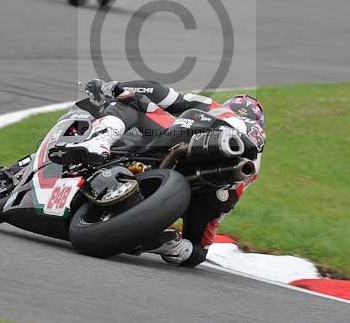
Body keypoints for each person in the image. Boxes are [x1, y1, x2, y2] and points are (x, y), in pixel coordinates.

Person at [64, 79, 266, 267]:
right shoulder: (249, 164)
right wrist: (183, 250)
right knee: (195, 243)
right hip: (218, 187)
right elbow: (200, 250)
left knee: (133, 100)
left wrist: (116, 87)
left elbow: (161, 92)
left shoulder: (213, 106)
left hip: (189, 158)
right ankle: (165, 243)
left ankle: (99, 141)